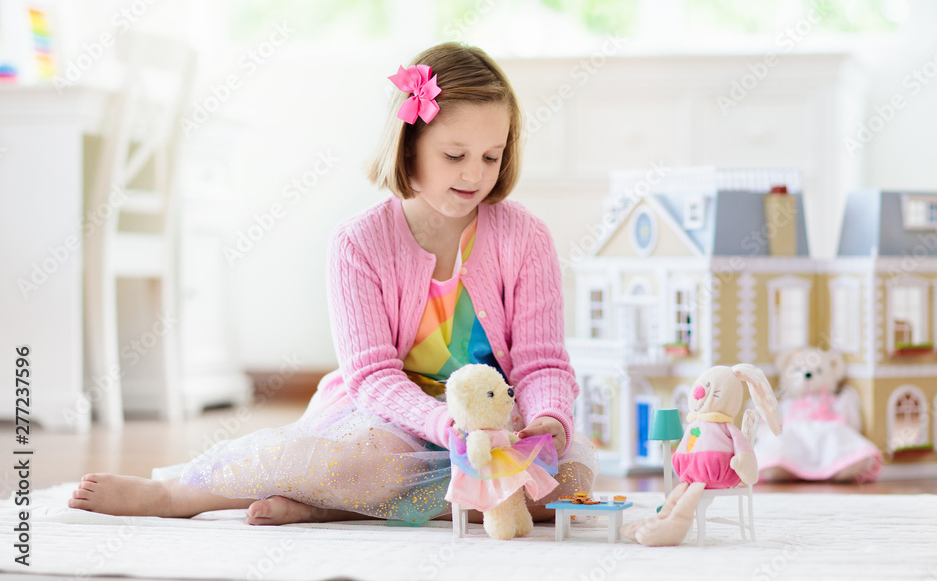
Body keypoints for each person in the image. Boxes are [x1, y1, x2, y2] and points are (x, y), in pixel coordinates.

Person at [68, 42, 597, 526]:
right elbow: (373, 379)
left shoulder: (525, 237)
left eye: (492, 156)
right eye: (454, 156)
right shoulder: (357, 243)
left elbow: (542, 362)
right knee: (372, 462)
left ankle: (332, 504)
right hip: (389, 421)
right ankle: (180, 494)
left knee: (569, 484)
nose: (474, 175)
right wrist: (444, 427)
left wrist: (548, 421)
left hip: (495, 428)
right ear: (409, 147)